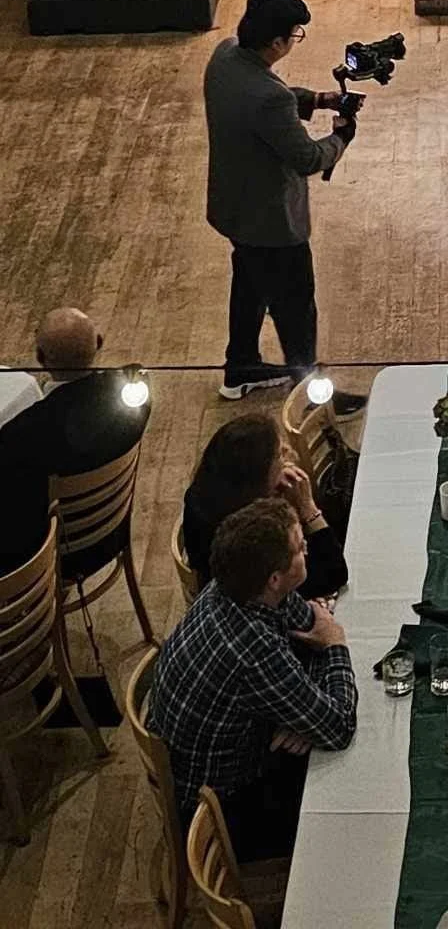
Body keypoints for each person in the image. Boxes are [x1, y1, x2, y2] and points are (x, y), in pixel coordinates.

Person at [149, 497, 357, 861]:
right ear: (275, 578)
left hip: (226, 744)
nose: (306, 546)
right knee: (349, 799)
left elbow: (307, 624)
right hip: (225, 803)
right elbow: (339, 726)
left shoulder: (234, 586)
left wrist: (301, 711)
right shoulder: (252, 647)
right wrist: (335, 645)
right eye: (298, 547)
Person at [204, 0, 362, 407]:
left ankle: (241, 367)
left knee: (250, 286)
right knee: (296, 310)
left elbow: (261, 100)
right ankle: (312, 395)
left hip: (233, 209)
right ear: (277, 42)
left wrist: (317, 99)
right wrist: (341, 136)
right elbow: (308, 157)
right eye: (295, 35)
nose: (295, 40)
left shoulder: (224, 56)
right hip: (272, 224)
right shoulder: (269, 97)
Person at [0, 306, 152, 574]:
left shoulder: (22, 435)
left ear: (39, 357)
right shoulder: (135, 399)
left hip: (54, 558)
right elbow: (135, 373)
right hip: (110, 530)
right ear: (100, 342)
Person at [182, 414, 348, 601]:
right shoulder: (255, 536)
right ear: (256, 476)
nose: (287, 452)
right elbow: (333, 574)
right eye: (278, 455)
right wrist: (307, 507)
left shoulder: (203, 491)